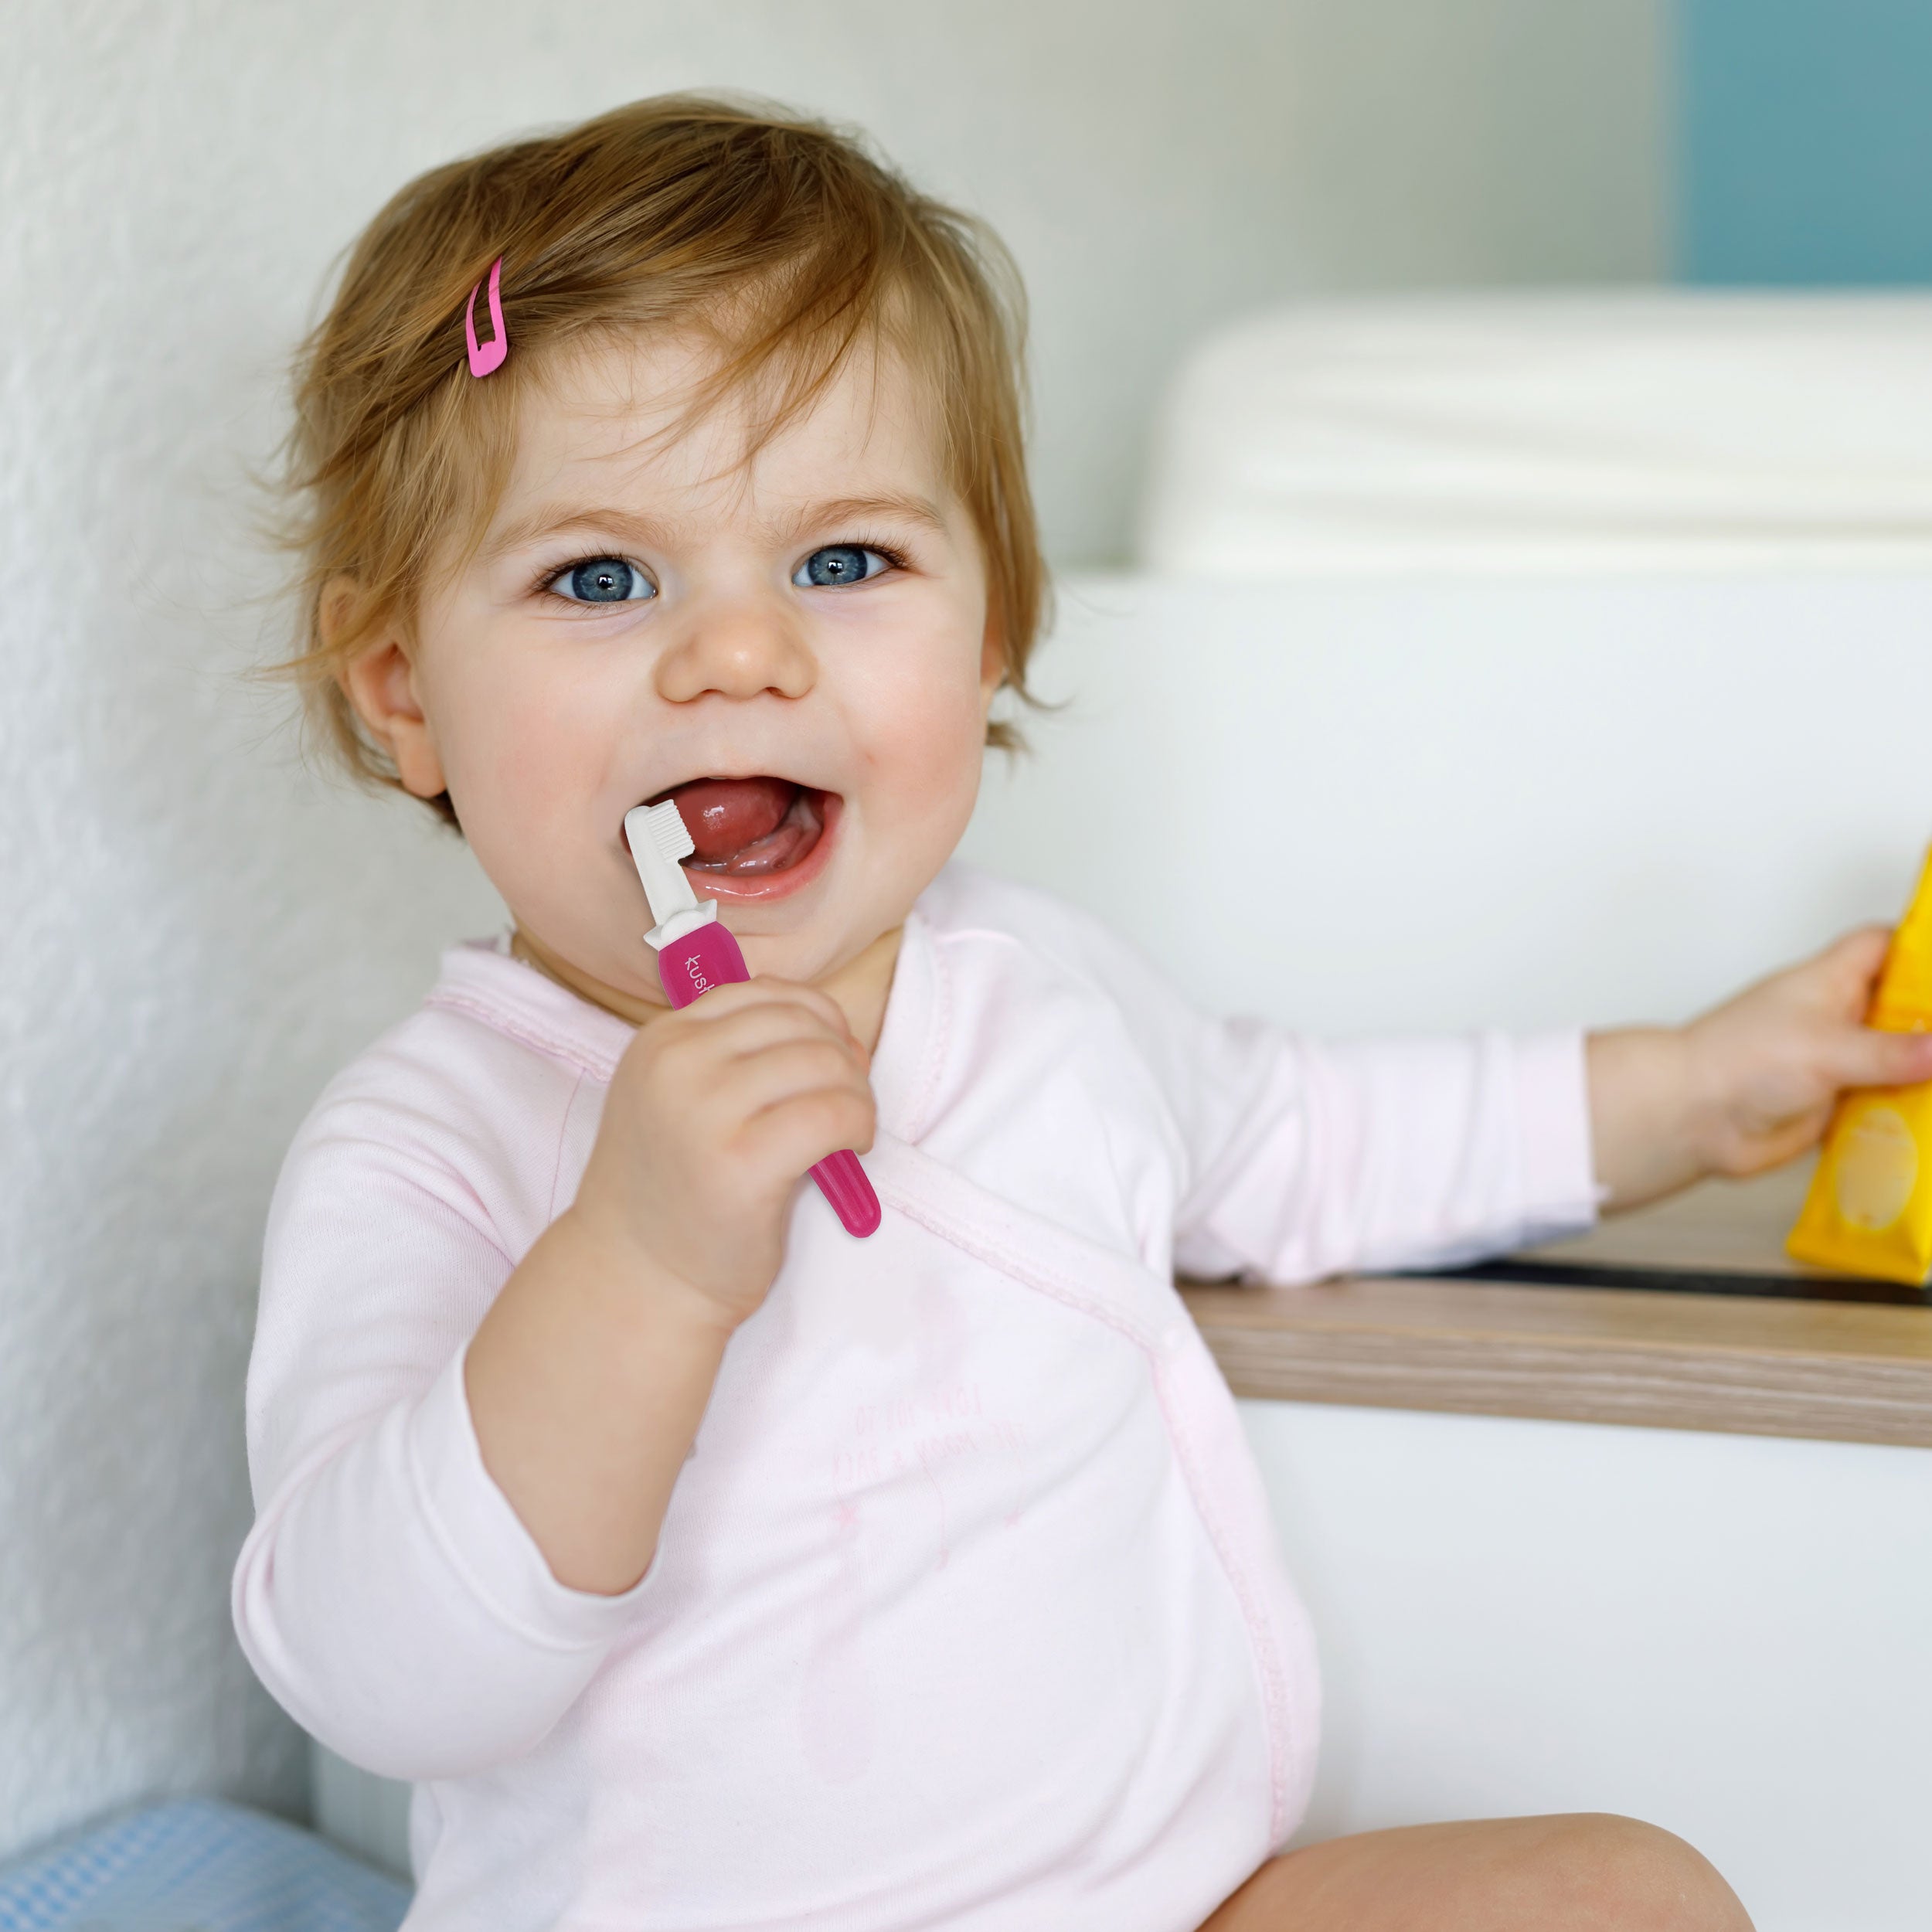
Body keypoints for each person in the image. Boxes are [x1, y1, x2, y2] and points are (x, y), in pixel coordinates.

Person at [235, 94, 1905, 1930]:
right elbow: (380, 1670)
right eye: (600, 577)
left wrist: (1683, 1090)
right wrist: (634, 1257)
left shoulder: (1032, 993)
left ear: (995, 627)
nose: (735, 650)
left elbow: (1308, 1142)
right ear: (402, 694)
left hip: (1148, 1898)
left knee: (1620, 1894)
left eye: (842, 561)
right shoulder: (428, 1144)